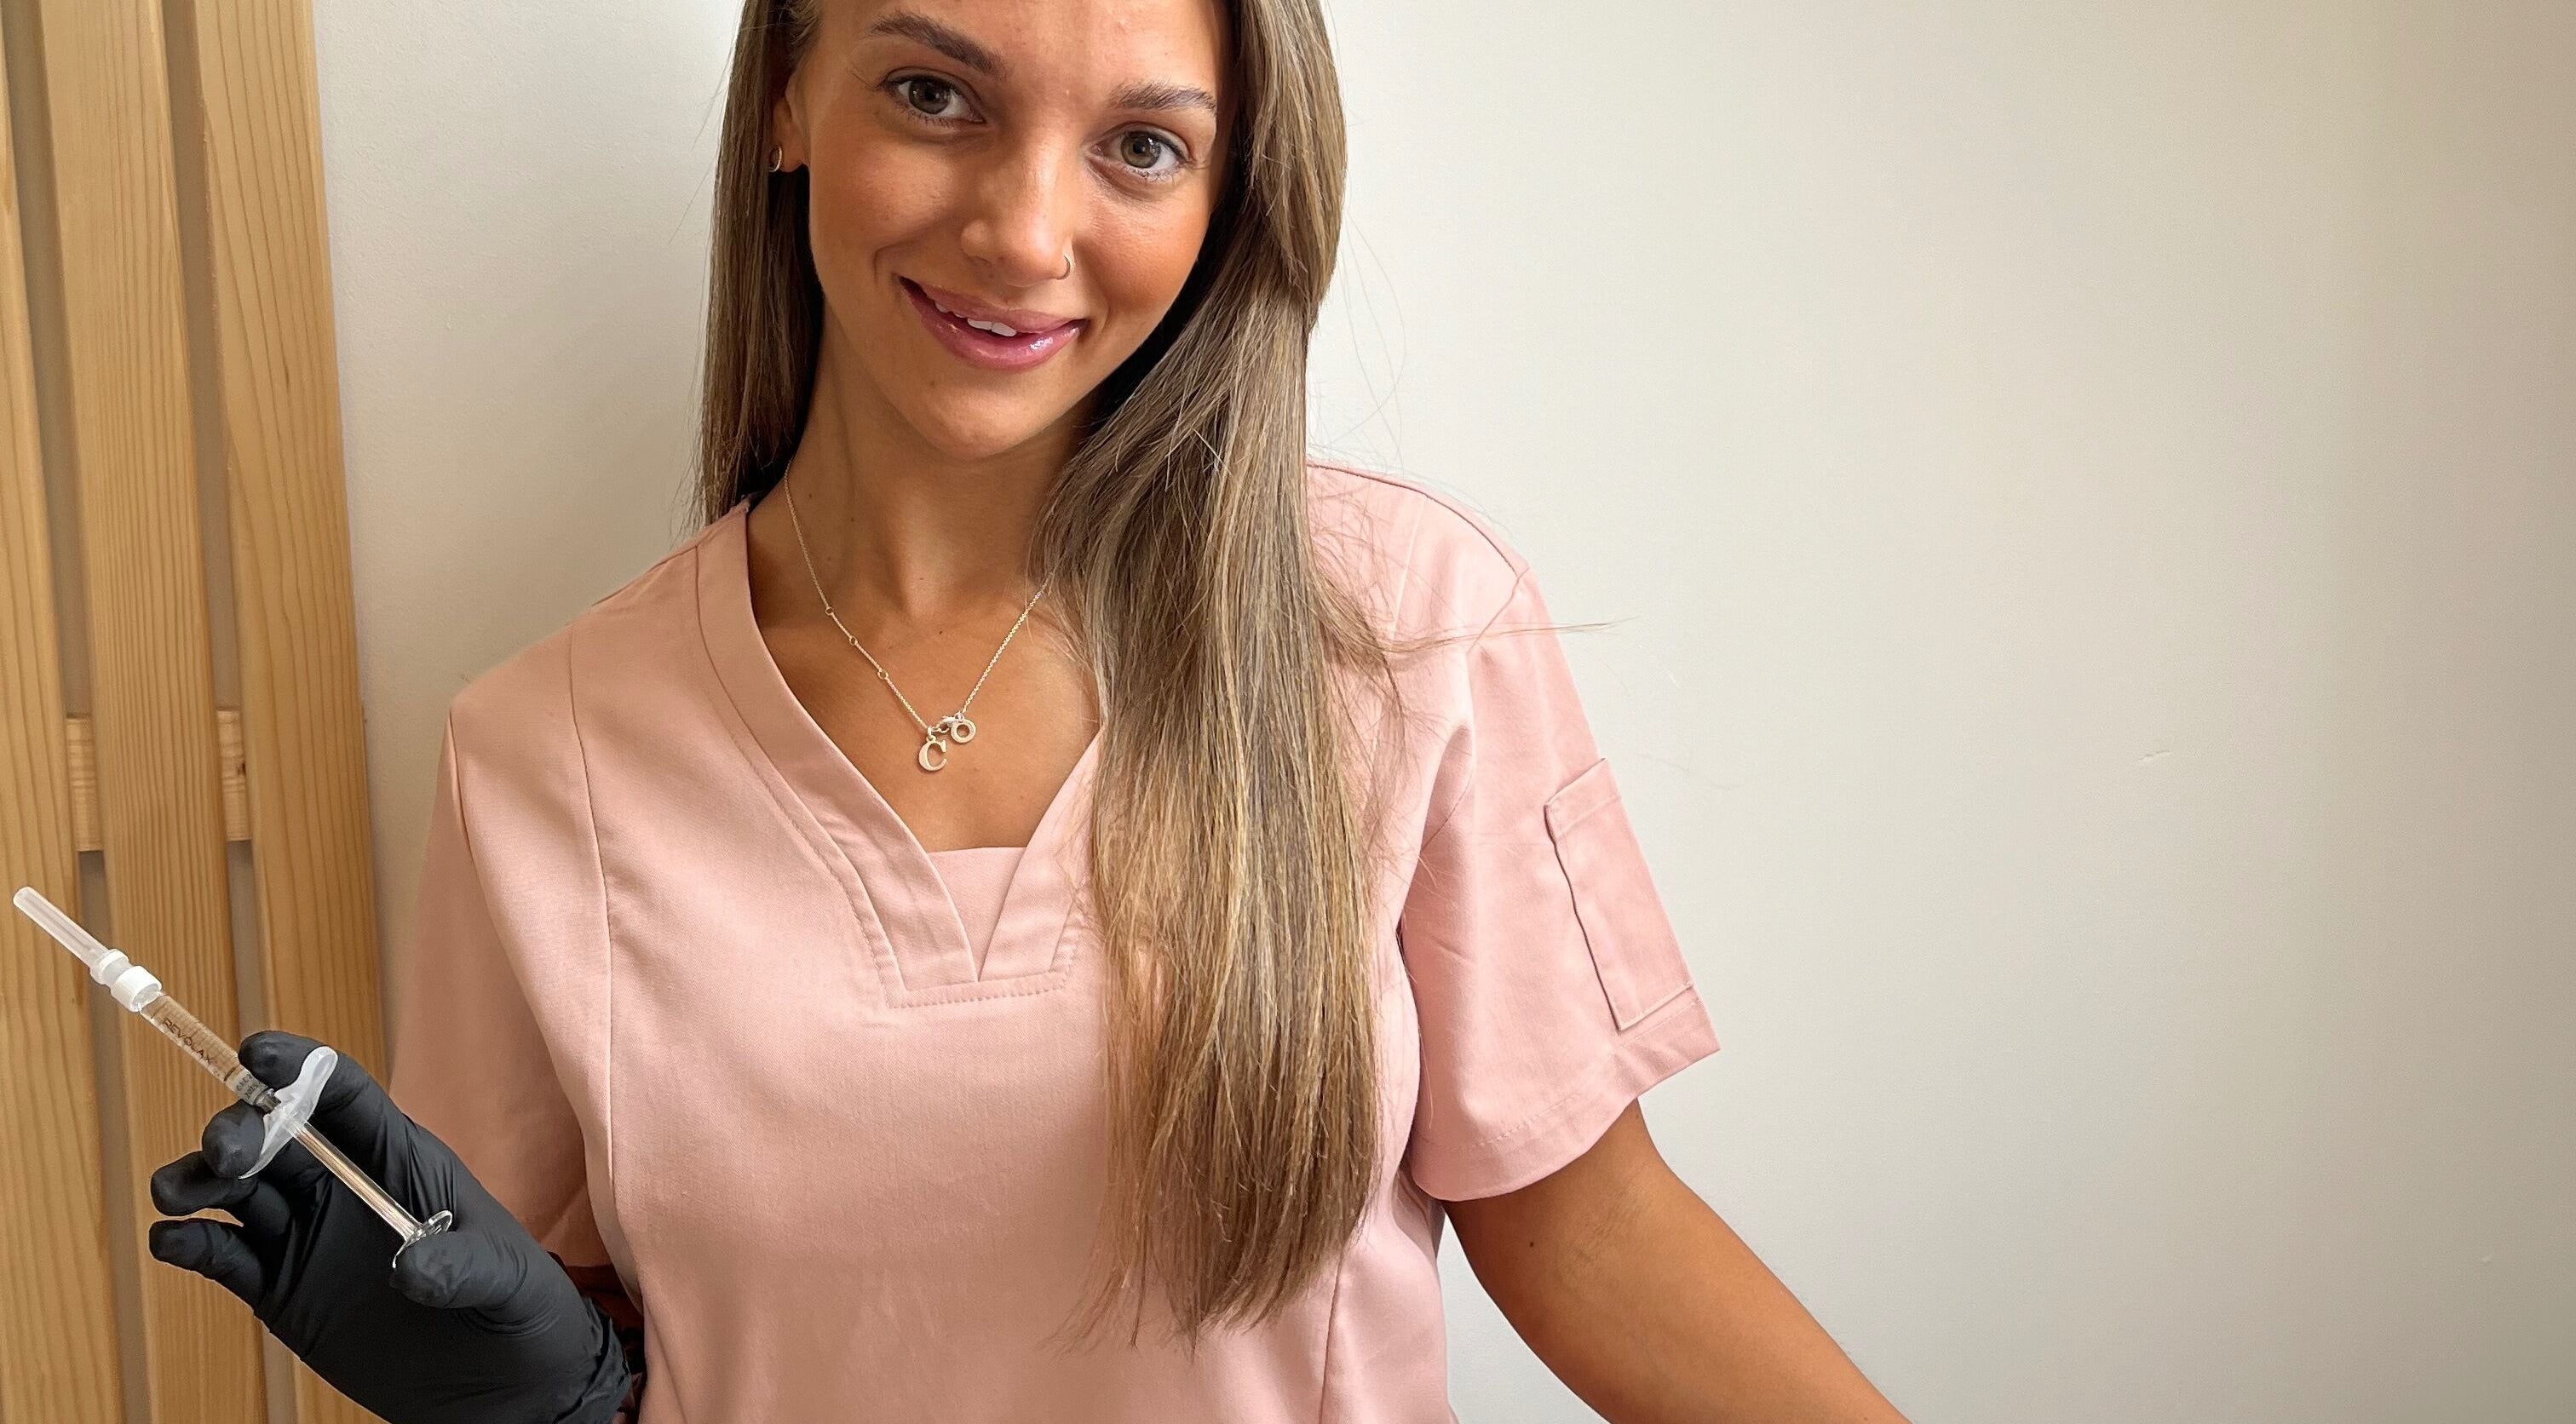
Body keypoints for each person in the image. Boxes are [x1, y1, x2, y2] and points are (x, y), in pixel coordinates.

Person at [143, 1, 1911, 1420]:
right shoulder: (546, 754)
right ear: (789, 93)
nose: (1021, 231)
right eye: (934, 94)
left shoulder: (1403, 631)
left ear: (1229, 192)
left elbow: (1595, 1232)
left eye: (1141, 146)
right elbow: (574, 1336)